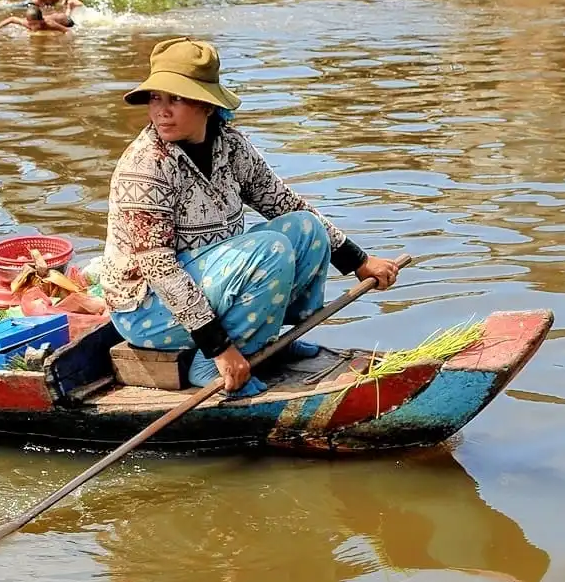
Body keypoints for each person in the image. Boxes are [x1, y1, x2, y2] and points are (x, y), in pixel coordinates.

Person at [103, 38, 398, 396]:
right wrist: (218, 348)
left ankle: (270, 341)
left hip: (213, 283)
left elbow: (283, 202)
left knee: (306, 229)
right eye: (155, 98)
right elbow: (159, 269)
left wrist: (358, 261)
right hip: (150, 311)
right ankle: (210, 363)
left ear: (207, 105)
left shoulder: (230, 145)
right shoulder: (147, 166)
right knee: (270, 248)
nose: (162, 111)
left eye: (176, 98)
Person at [0, 1, 71, 37]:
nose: (32, 27)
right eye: (30, 24)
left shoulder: (49, 23)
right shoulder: (27, 23)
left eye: (35, 24)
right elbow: (11, 19)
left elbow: (67, 31)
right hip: (50, 17)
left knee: (67, 19)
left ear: (41, 21)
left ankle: (69, 9)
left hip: (65, 20)